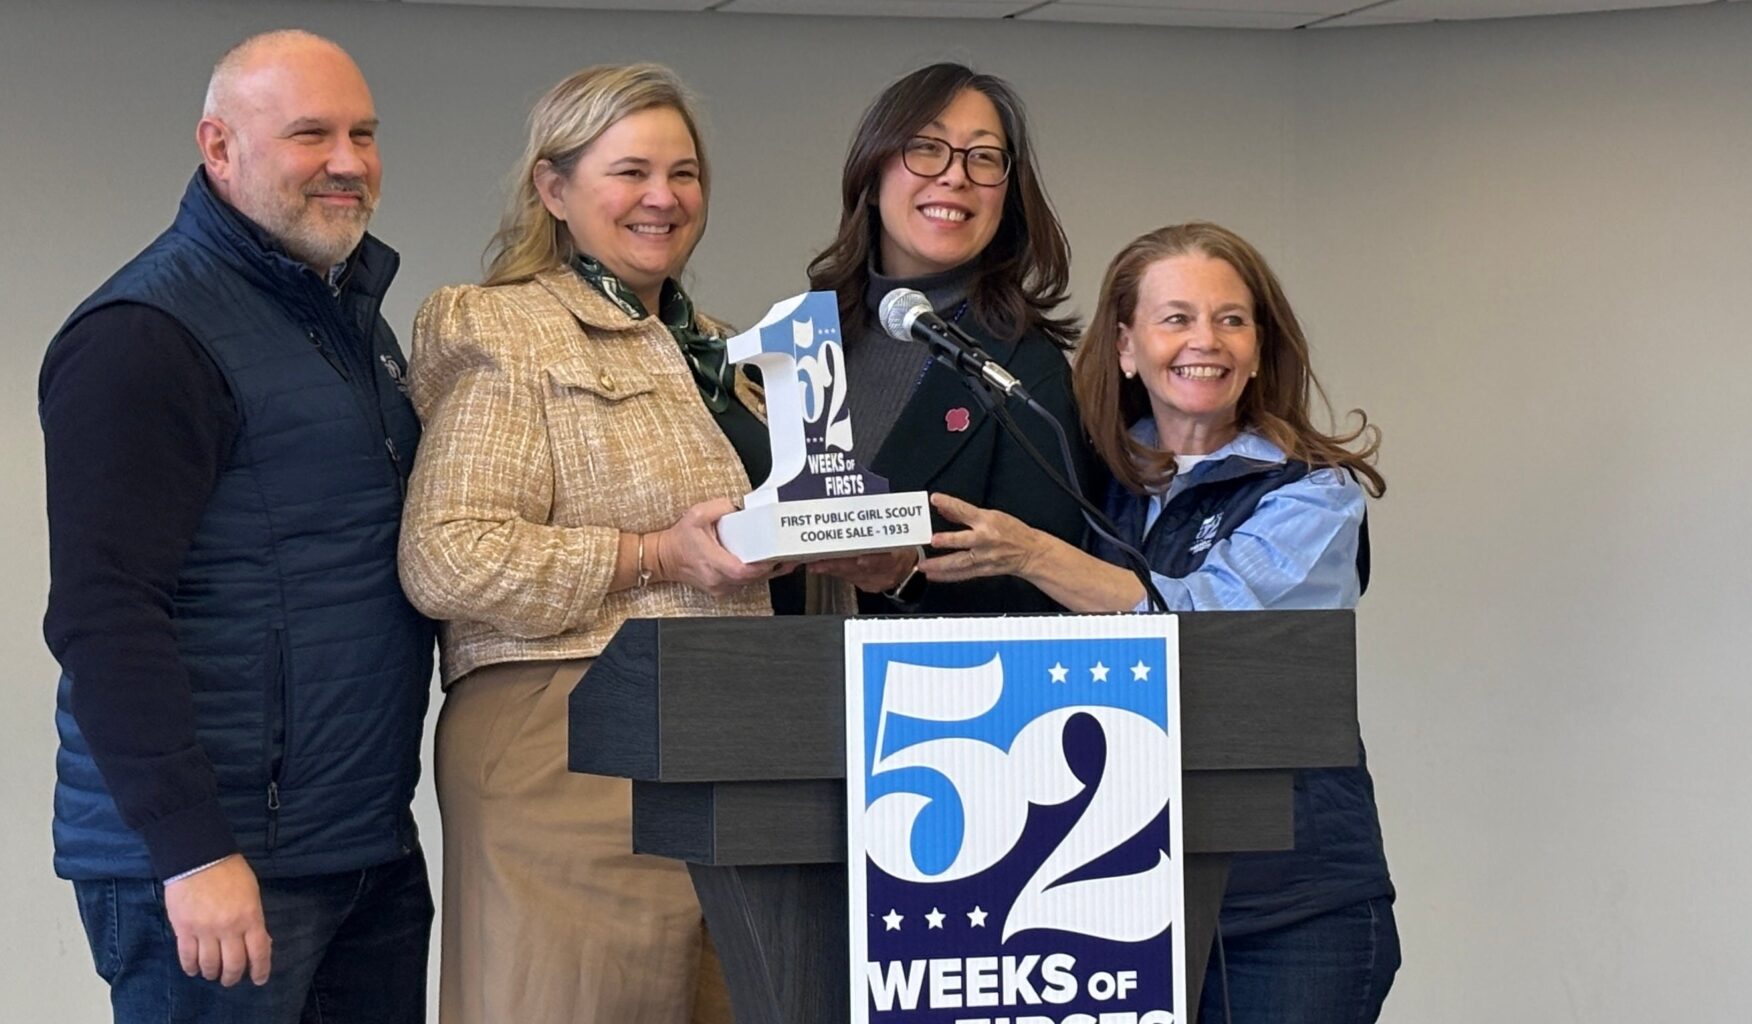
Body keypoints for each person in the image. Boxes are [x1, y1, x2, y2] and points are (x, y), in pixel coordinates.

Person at [39, 29, 436, 1023]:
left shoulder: (351, 322)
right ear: (218, 146)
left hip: (362, 850)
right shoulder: (146, 335)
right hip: (222, 867)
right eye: (311, 135)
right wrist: (192, 851)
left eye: (363, 134)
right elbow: (104, 615)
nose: (348, 161)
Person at [923, 221, 1399, 1023]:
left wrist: (1036, 553)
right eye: (1176, 318)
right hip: (1104, 898)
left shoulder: (1314, 493)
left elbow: (1207, 621)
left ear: (1259, 346)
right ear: (1125, 346)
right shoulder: (1080, 478)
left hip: (1288, 907)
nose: (1204, 341)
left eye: (1231, 319)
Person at [398, 63, 785, 1024]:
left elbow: (745, 558)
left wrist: (848, 554)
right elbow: (447, 555)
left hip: (733, 747)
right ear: (555, 188)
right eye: (631, 172)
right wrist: (652, 554)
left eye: (684, 173)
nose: (664, 197)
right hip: (568, 748)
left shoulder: (729, 354)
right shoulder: (506, 327)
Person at [804, 62, 1092, 615]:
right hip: (770, 657)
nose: (956, 176)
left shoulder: (1025, 371)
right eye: (926, 148)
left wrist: (908, 574)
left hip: (931, 668)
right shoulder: (803, 338)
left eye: (983, 157)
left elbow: (1046, 592)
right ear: (871, 177)